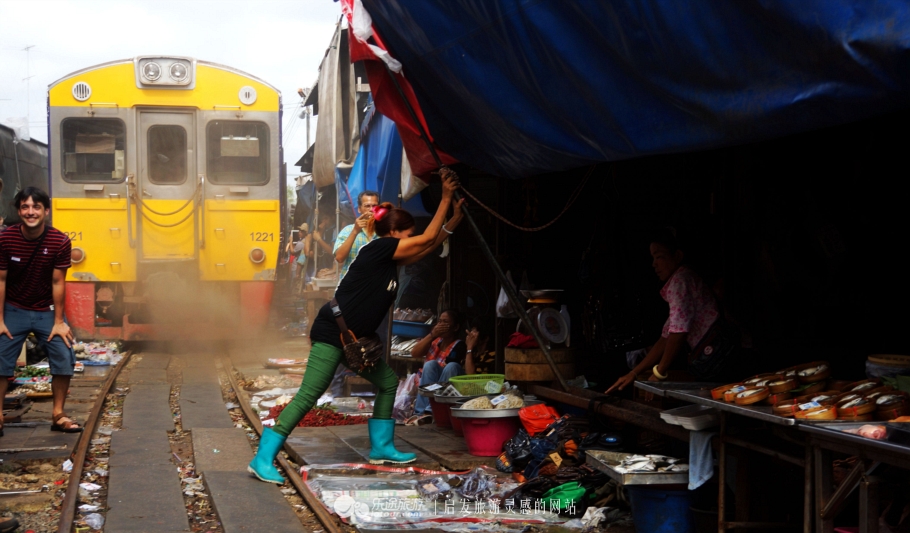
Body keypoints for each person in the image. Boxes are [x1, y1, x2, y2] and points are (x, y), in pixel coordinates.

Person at [248, 169, 465, 483]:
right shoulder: (379, 249)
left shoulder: (387, 258)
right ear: (397, 233)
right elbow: (428, 239)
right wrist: (445, 197)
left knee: (388, 382)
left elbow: (429, 245)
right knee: (308, 396)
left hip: (353, 339)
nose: (412, 239)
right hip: (333, 333)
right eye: (409, 233)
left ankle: (382, 447)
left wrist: (454, 219)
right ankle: (263, 457)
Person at [607, 229, 738, 394]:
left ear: (677, 256)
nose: (654, 264)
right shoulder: (684, 279)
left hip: (718, 357)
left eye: (659, 256)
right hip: (719, 357)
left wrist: (660, 372)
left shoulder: (680, 282)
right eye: (653, 258)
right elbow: (666, 336)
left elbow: (678, 332)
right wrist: (634, 372)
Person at [0, 187, 82, 434]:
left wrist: (59, 321)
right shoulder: (5, 239)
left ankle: (58, 414)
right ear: (19, 211)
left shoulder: (60, 240)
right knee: (1, 357)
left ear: (46, 211)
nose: (30, 212)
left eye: (36, 207)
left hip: (46, 310)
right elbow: (1, 280)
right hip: (13, 309)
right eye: (25, 207)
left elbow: (58, 282)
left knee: (63, 355)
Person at [410, 309, 468, 421]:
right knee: (430, 364)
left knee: (451, 366)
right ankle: (420, 413)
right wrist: (432, 335)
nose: (441, 325)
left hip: (449, 386)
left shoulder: (459, 345)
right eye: (439, 322)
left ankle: (431, 410)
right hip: (432, 384)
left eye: (445, 322)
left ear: (455, 327)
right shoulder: (435, 340)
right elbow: (414, 353)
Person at [334, 190, 380, 281]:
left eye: (374, 206)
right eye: (367, 206)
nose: (371, 209)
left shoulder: (385, 232)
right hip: (351, 287)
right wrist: (355, 231)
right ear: (359, 209)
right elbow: (339, 258)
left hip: (376, 288)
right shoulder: (348, 230)